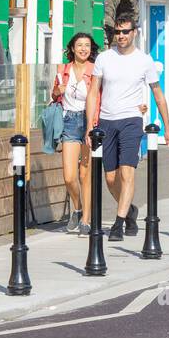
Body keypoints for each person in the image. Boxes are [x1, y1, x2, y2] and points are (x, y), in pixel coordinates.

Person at [85, 11, 169, 242]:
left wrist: (168, 127)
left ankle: (118, 223)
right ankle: (131, 210)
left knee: (127, 173)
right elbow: (93, 92)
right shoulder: (104, 58)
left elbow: (158, 95)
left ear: (134, 32)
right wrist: (89, 125)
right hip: (106, 121)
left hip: (132, 121)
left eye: (125, 32)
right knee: (111, 179)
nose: (121, 36)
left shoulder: (144, 61)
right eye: (117, 32)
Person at [49, 32, 97, 234]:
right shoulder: (63, 70)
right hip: (69, 121)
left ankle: (86, 219)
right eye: (79, 45)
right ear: (72, 48)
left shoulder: (95, 70)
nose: (83, 49)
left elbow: (99, 97)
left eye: (87, 45)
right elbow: (54, 94)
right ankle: (76, 208)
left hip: (88, 122)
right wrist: (57, 91)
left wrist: (92, 125)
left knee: (85, 174)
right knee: (69, 176)